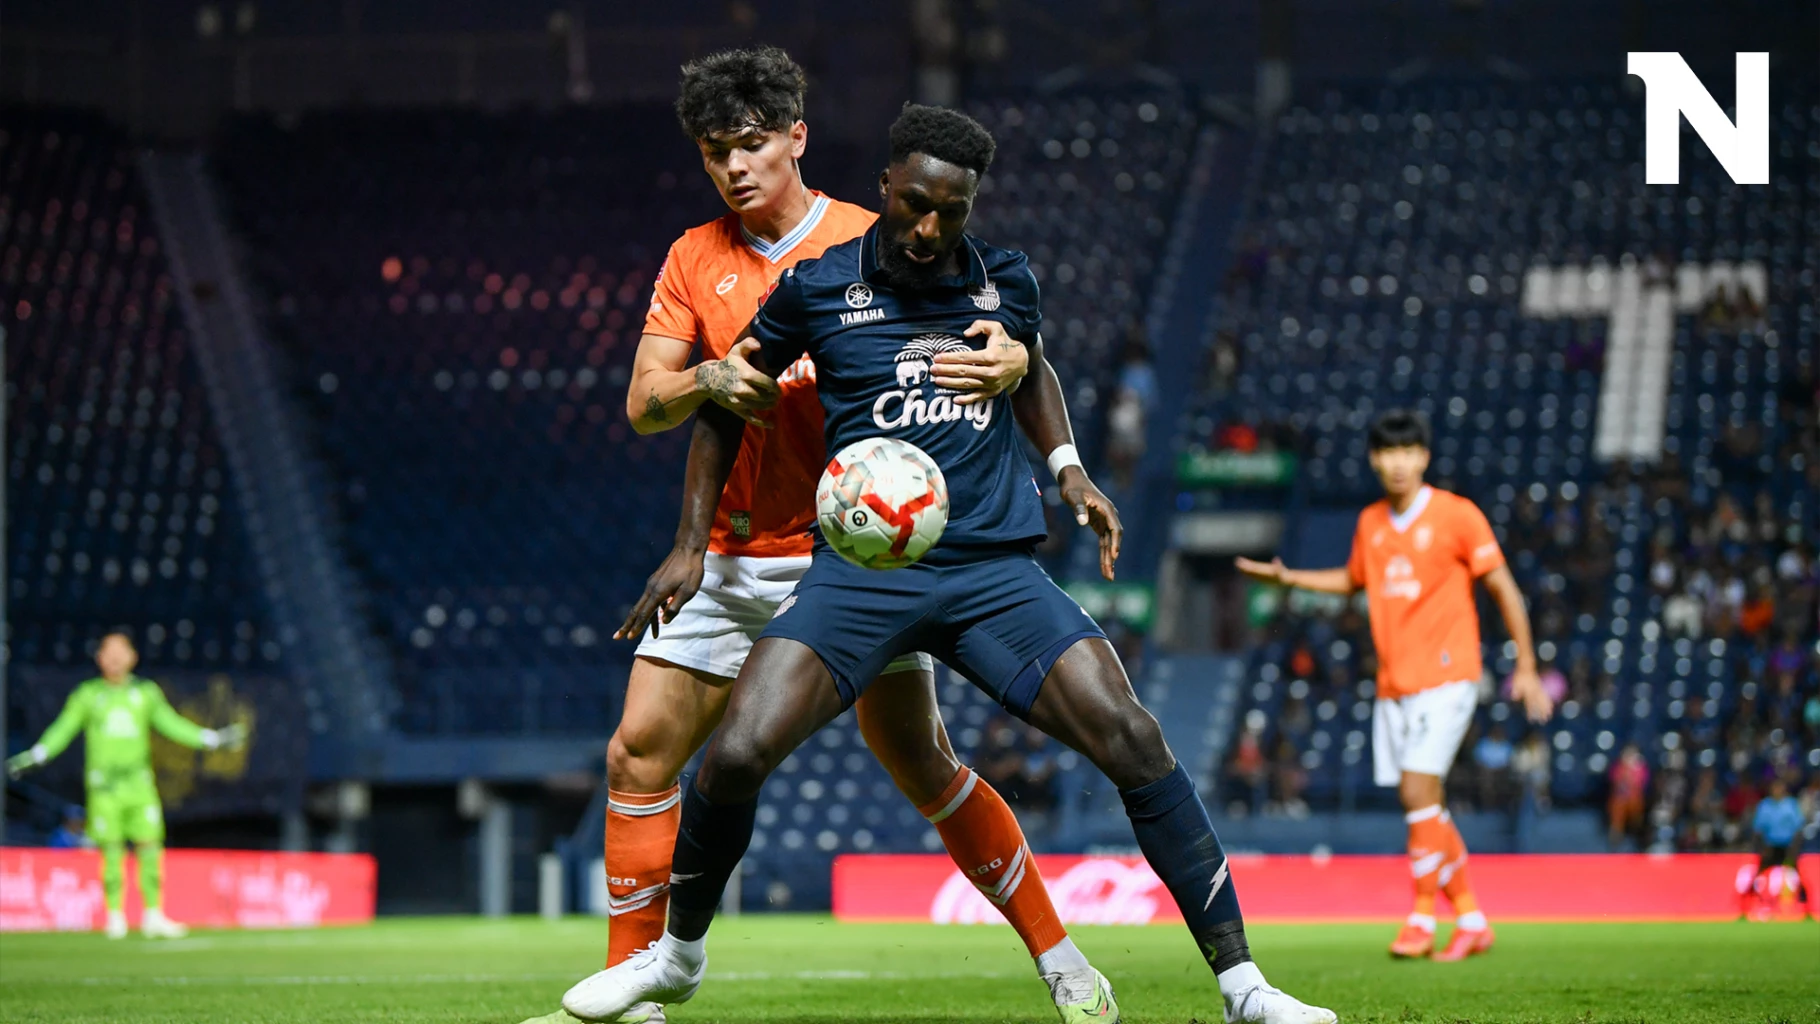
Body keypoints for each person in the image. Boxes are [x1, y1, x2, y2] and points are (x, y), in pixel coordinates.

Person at [560, 105, 1335, 1024]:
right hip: (860, 576)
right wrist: (692, 542)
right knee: (733, 756)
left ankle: (1244, 988)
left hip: (988, 572)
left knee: (1133, 736)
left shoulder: (1005, 279)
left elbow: (1032, 364)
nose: (930, 229)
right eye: (917, 205)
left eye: (951, 212)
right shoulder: (819, 287)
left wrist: (1070, 469)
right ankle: (677, 961)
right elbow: (729, 398)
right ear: (886, 185)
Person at [521, 48, 1099, 1024]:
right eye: (715, 151)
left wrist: (1013, 371)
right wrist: (703, 381)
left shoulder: (879, 240)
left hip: (858, 554)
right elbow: (644, 403)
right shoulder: (691, 258)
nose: (733, 167)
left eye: (751, 144)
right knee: (637, 754)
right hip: (731, 553)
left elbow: (999, 342)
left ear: (796, 137)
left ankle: (1062, 957)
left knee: (922, 764)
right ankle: (637, 997)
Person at [1237, 409, 1554, 962]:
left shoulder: (1457, 515)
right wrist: (1291, 577)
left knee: (1415, 792)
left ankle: (1422, 917)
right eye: (1388, 452)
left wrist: (1526, 665)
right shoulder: (1371, 523)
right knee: (1427, 806)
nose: (1399, 462)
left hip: (1449, 676)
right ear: (1374, 460)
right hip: (1394, 684)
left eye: (1408, 451)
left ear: (1424, 457)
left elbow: (1503, 587)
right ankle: (1472, 919)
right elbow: (1354, 580)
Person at [5, 633, 246, 939]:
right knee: (111, 849)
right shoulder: (88, 695)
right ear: (99, 658)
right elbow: (64, 727)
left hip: (139, 786)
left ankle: (153, 914)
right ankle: (114, 915)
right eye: (109, 651)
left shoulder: (145, 693)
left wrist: (208, 739)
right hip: (105, 788)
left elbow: (171, 723)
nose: (115, 658)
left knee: (150, 845)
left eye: (121, 651)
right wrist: (39, 752)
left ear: (133, 657)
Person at [1749, 778, 1810, 920]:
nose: (1777, 791)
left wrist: (1794, 849)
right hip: (1770, 847)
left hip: (1787, 847)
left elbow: (1798, 829)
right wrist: (1762, 848)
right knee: (1759, 875)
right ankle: (1751, 904)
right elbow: (1758, 830)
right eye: (1775, 788)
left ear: (1784, 789)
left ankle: (1805, 907)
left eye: (1780, 788)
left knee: (1796, 876)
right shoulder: (1765, 806)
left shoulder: (1791, 805)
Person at [1607, 744, 1650, 850]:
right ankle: (1616, 832)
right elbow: (1614, 779)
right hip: (1620, 796)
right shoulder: (1619, 767)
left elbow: (1642, 782)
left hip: (1635, 797)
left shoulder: (1641, 768)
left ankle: (1636, 831)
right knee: (1617, 806)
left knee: (1636, 807)